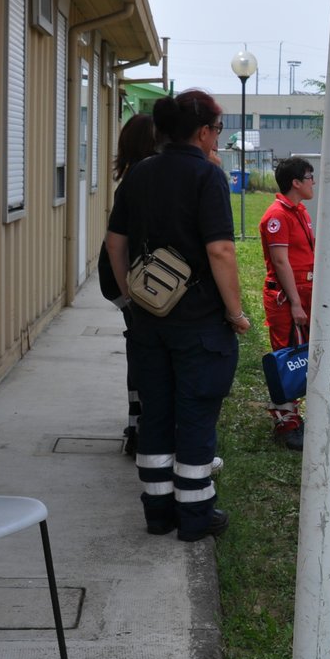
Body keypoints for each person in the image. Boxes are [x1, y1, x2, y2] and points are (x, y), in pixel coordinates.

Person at [105, 89, 249, 543]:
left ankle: (157, 513)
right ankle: (194, 515)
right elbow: (221, 250)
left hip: (148, 323)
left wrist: (132, 296)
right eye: (218, 130)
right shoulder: (207, 177)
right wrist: (235, 312)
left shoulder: (140, 173)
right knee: (195, 417)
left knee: (156, 416)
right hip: (199, 323)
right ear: (204, 132)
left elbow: (114, 244)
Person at [100, 113, 159, 456]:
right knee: (142, 352)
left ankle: (136, 423)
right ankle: (139, 430)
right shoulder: (143, 179)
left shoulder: (135, 176)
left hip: (121, 280)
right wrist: (129, 296)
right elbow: (117, 243)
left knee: (138, 350)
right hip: (128, 282)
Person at [260, 156, 316, 449]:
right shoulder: (277, 216)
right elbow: (280, 262)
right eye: (309, 176)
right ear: (295, 182)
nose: (313, 182)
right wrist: (295, 303)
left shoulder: (300, 211)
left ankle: (294, 415)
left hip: (305, 292)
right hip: (286, 297)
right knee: (286, 355)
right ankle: (286, 422)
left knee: (302, 354)